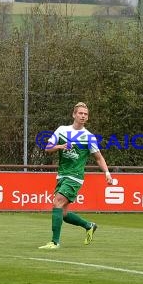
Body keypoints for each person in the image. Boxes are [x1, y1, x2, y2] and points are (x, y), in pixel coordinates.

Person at [38, 102, 113, 249]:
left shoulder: (89, 137)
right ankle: (89, 225)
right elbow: (47, 148)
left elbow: (98, 157)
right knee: (64, 214)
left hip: (75, 176)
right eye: (80, 113)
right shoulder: (62, 130)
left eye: (85, 114)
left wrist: (107, 173)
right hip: (62, 175)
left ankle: (54, 242)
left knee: (57, 202)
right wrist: (60, 146)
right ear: (74, 114)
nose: (83, 116)